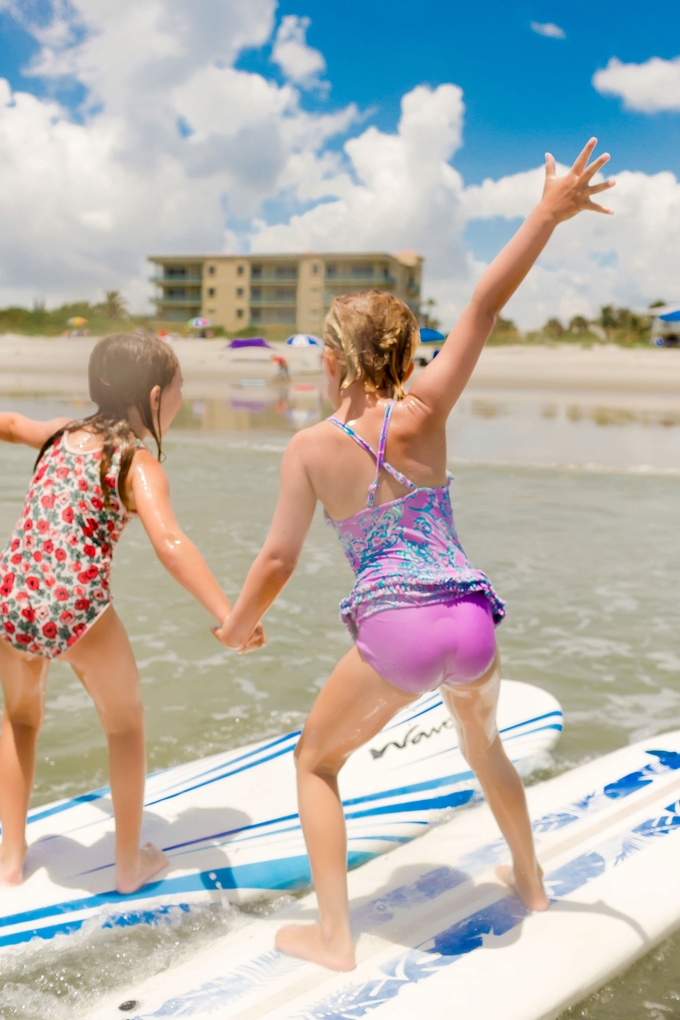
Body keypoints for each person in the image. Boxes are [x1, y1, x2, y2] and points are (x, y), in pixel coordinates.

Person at [213, 139, 615, 970]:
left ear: (332, 359)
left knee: (316, 764)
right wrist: (547, 212)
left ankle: (334, 938)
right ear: (400, 356)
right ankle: (534, 884)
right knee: (484, 747)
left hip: (396, 632)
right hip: (471, 621)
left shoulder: (308, 448)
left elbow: (277, 562)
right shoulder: (428, 406)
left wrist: (237, 627)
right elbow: (485, 304)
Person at [0, 334, 263, 891]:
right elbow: (171, 544)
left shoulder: (60, 434)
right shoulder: (136, 463)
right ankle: (126, 868)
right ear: (152, 394)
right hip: (78, 610)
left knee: (20, 720)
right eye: (179, 391)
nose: (182, 402)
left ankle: (9, 860)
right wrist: (230, 618)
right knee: (125, 726)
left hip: (13, 599)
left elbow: (9, 422)